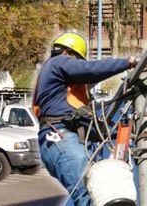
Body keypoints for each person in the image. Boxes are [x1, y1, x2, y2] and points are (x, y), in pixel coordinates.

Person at [32, 32, 137, 206]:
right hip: (61, 136)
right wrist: (126, 63)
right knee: (90, 195)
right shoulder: (59, 62)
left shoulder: (59, 86)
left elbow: (86, 114)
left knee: (84, 194)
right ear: (69, 53)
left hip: (59, 138)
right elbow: (90, 70)